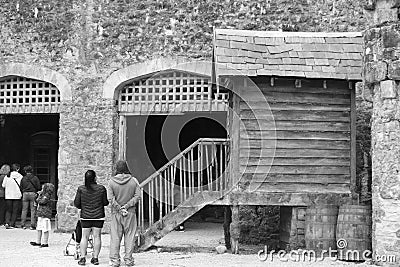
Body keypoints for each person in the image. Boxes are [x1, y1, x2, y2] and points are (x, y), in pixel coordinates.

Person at [107, 160, 140, 267]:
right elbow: (137, 196)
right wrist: (126, 206)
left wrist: (119, 208)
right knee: (129, 237)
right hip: (130, 213)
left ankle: (115, 261)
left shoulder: (111, 182)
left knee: (115, 237)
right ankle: (128, 260)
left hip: (116, 213)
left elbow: (110, 199)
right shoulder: (134, 181)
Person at [74, 170, 109, 266]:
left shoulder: (81, 189)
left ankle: (82, 258)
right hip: (98, 216)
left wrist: (84, 206)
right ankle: (95, 258)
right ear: (95, 178)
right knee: (97, 236)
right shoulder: (101, 188)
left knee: (84, 237)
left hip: (85, 217)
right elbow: (105, 202)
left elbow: (77, 204)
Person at [30, 182, 55, 248]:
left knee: (45, 228)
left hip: (45, 214)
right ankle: (38, 241)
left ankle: (45, 242)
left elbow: (42, 201)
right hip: (41, 213)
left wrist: (38, 197)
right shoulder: (43, 195)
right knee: (39, 227)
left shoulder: (47, 195)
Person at [2, 163, 23, 229]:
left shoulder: (7, 176)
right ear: (18, 169)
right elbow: (22, 185)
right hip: (17, 195)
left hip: (8, 195)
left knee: (8, 210)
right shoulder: (20, 176)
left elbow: (3, 185)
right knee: (15, 210)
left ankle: (7, 222)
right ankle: (12, 223)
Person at [20, 165, 41, 230]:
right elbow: (38, 187)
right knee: (33, 210)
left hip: (25, 194)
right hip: (33, 193)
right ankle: (32, 225)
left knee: (24, 209)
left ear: (25, 171)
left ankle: (23, 224)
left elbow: (21, 187)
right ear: (32, 170)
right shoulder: (35, 178)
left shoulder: (23, 178)